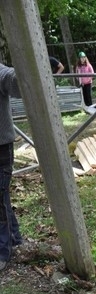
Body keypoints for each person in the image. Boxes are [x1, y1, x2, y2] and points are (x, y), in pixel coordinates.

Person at [0, 64, 23, 271]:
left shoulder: (0, 72)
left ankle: (2, 251)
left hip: (1, 148)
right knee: (2, 197)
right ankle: (14, 238)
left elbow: (15, 83)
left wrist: (24, 69)